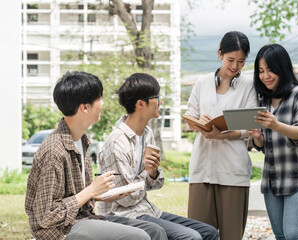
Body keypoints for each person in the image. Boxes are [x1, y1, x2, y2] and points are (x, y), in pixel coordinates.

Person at [25, 71, 167, 240]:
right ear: (85, 107)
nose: (102, 103)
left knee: (155, 231)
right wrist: (91, 190)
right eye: (99, 99)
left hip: (83, 218)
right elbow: (46, 216)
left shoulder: (81, 141)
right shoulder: (54, 151)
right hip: (59, 231)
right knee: (139, 237)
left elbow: (76, 198)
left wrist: (100, 195)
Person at [97, 73, 219, 240]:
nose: (160, 101)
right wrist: (147, 173)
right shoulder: (117, 143)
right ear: (140, 104)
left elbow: (157, 183)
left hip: (147, 210)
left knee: (209, 233)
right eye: (156, 97)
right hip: (123, 214)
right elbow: (126, 199)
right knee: (191, 237)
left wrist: (153, 172)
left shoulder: (147, 133)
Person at [184, 31, 258, 239]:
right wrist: (201, 124)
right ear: (220, 55)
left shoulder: (249, 86)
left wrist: (222, 135)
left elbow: (250, 128)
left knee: (232, 235)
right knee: (197, 234)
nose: (235, 66)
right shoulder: (202, 83)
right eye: (231, 60)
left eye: (241, 61)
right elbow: (189, 118)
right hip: (201, 170)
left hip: (233, 172)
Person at [248, 44, 298, 240]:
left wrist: (275, 124)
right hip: (273, 179)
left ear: (283, 68)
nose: (266, 76)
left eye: (271, 70)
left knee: (294, 234)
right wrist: (257, 137)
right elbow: (268, 144)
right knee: (280, 236)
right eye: (261, 71)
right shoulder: (263, 100)